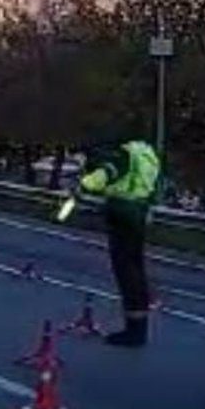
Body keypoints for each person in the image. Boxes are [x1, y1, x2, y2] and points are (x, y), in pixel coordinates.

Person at [79, 139, 161, 347]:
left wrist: (85, 183)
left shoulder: (123, 154)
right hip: (139, 211)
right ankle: (138, 329)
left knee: (125, 271)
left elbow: (107, 173)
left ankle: (133, 332)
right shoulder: (146, 153)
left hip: (122, 211)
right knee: (135, 269)